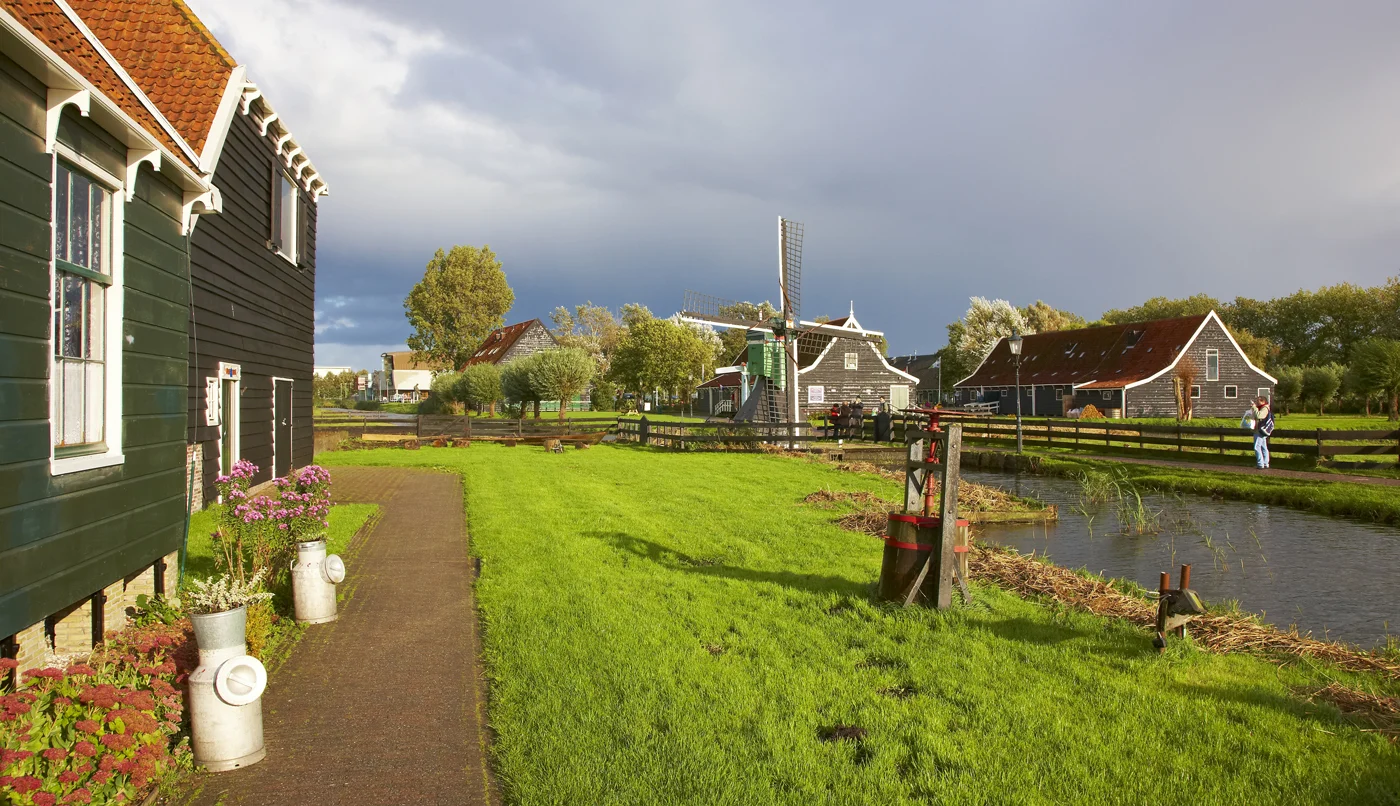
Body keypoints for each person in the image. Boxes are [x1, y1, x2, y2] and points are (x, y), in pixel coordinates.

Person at [1249, 396, 1274, 469]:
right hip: (1260, 430)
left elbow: (1259, 416)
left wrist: (1254, 407)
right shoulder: (1261, 408)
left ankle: (1260, 464)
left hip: (1260, 430)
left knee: (1257, 447)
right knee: (1263, 447)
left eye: (1258, 401)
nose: (1256, 402)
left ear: (1263, 401)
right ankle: (1265, 463)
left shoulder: (1265, 408)